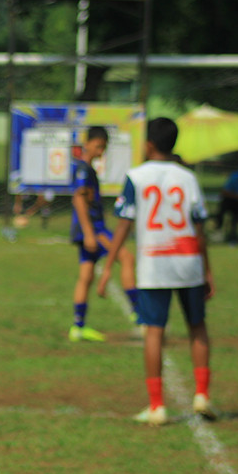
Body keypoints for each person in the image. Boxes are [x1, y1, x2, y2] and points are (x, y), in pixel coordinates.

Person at [98, 117, 216, 426]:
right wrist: (208, 270)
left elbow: (124, 223)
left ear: (149, 144)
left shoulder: (136, 177)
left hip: (154, 262)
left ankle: (157, 406)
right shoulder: (188, 178)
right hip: (189, 260)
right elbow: (200, 227)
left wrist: (109, 264)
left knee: (154, 331)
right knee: (197, 326)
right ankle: (202, 394)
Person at [69, 125, 139, 341]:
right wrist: (90, 233)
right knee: (127, 258)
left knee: (86, 276)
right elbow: (78, 199)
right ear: (87, 143)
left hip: (89, 230)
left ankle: (78, 328)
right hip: (94, 230)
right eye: (98, 146)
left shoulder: (87, 169)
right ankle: (139, 313)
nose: (101, 151)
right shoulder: (84, 170)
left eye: (104, 147)